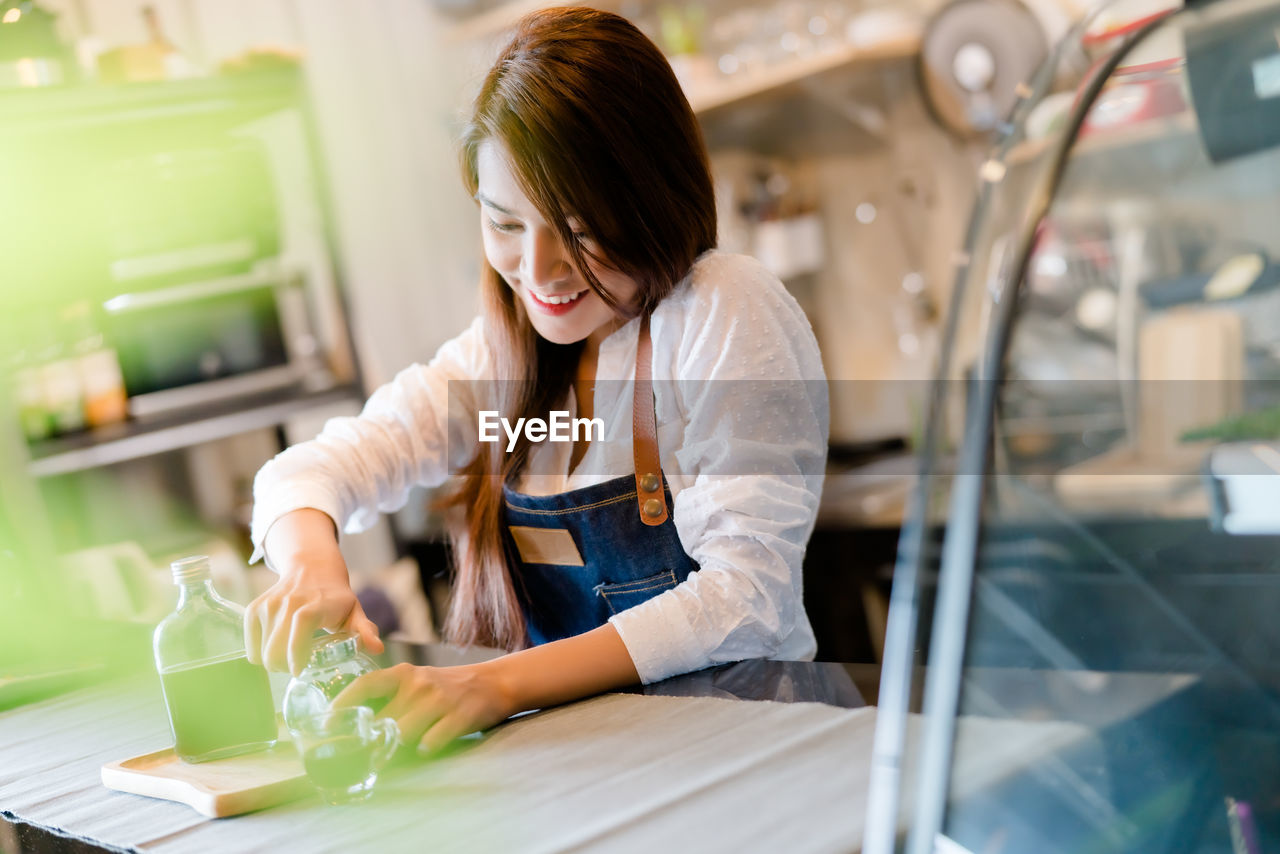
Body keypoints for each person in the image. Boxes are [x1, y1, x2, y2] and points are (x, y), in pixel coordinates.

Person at [245, 6, 829, 755]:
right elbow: (309, 469)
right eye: (506, 225)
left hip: (751, 754)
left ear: (651, 199)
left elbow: (747, 597)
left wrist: (492, 684)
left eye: (579, 229)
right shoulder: (504, 357)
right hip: (590, 768)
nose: (540, 270)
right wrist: (314, 573)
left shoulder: (719, 305)